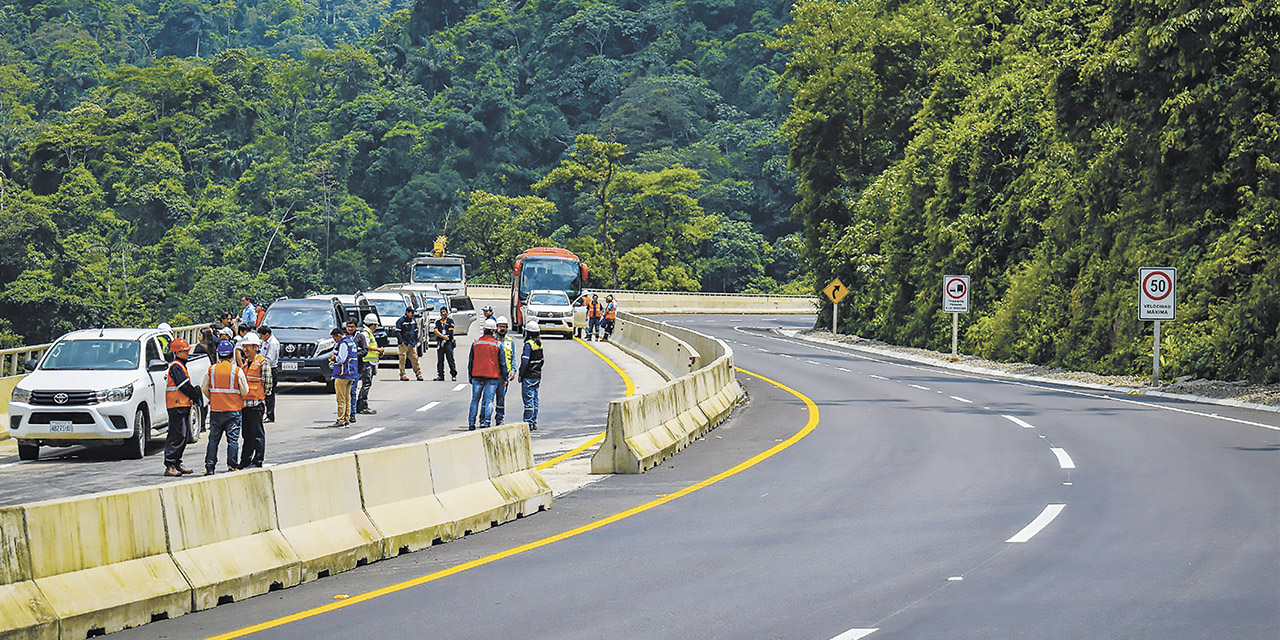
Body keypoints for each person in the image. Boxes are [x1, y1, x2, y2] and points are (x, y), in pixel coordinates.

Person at [202, 339, 249, 475]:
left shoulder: (211, 370)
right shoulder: (237, 371)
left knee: (213, 440)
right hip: (233, 411)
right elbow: (245, 391)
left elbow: (204, 388)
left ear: (218, 355)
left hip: (216, 410)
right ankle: (232, 465)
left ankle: (209, 467)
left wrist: (213, 398)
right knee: (233, 440)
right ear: (232, 356)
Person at [163, 338, 202, 476]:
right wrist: (195, 396)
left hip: (182, 404)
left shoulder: (181, 366)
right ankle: (170, 464)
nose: (187, 353)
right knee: (176, 435)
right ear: (177, 352)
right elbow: (184, 385)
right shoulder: (176, 367)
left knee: (183, 435)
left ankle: (177, 462)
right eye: (185, 351)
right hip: (176, 405)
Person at [237, 334, 272, 469]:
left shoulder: (262, 363)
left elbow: (268, 384)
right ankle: (245, 460)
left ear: (255, 347)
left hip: (256, 404)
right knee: (247, 435)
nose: (245, 349)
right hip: (245, 405)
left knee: (257, 434)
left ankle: (258, 460)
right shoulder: (245, 364)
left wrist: (260, 396)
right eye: (244, 347)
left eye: (247, 347)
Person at [467, 318, 506, 430]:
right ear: (494, 331)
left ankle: (471, 423)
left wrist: (470, 376)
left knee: (475, 400)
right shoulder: (497, 345)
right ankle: (486, 422)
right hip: (492, 376)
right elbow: (502, 363)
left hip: (477, 375)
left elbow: (471, 361)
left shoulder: (476, 343)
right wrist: (504, 377)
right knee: (489, 400)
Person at [328, 327, 360, 428]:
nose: (335, 341)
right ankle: (346, 419)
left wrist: (334, 358)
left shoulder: (343, 343)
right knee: (347, 398)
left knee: (341, 399)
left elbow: (341, 359)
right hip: (351, 374)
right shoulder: (351, 342)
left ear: (338, 336)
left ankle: (340, 420)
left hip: (342, 374)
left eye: (334, 338)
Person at [357, 313, 384, 415]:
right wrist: (378, 349)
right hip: (366, 362)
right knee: (366, 384)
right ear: (372, 325)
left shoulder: (368, 333)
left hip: (370, 361)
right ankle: (362, 406)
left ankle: (359, 404)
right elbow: (367, 346)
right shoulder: (365, 333)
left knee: (366, 383)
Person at [519, 320, 544, 431]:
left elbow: (525, 362)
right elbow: (542, 360)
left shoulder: (528, 345)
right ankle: (534, 421)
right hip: (537, 376)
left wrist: (521, 374)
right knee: (535, 399)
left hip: (528, 376)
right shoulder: (539, 344)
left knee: (528, 400)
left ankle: (528, 423)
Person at [493, 316, 518, 426]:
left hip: (505, 375)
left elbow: (513, 357)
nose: (502, 329)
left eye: (504, 327)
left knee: (501, 398)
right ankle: (485, 418)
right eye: (500, 327)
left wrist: (513, 371)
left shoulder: (510, 341)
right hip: (492, 374)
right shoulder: (493, 340)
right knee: (488, 398)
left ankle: (500, 419)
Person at [257, 325, 280, 423]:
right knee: (265, 394)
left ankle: (270, 415)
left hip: (270, 369)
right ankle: (267, 414)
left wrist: (258, 361)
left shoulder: (273, 343)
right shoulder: (265, 342)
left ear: (267, 334)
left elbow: (269, 359)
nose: (260, 337)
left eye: (261, 335)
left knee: (269, 393)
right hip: (264, 368)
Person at [396, 307, 423, 381]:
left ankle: (418, 374)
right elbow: (398, 332)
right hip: (403, 344)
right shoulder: (401, 321)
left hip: (411, 344)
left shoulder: (413, 320)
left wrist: (415, 341)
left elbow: (416, 331)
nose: (412, 314)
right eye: (411, 313)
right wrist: (401, 342)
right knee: (402, 360)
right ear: (407, 312)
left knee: (415, 359)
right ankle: (403, 374)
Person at [434, 307, 457, 382]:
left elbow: (450, 332)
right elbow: (436, 331)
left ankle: (453, 375)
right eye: (441, 312)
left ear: (447, 312)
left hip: (448, 343)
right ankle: (440, 375)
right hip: (440, 342)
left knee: (450, 359)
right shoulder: (438, 322)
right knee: (440, 360)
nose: (443, 313)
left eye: (444, 312)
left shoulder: (450, 321)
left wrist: (445, 339)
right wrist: (443, 337)